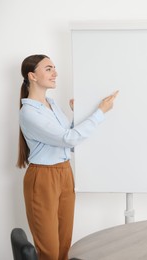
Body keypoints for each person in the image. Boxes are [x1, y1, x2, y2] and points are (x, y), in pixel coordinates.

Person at [16, 54, 118, 260]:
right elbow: (68, 139)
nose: (55, 73)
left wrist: (76, 113)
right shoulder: (28, 112)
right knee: (50, 251)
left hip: (65, 173)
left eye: (54, 68)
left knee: (64, 246)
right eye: (48, 69)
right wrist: (99, 112)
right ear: (32, 76)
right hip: (43, 178)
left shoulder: (52, 105)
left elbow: (66, 141)